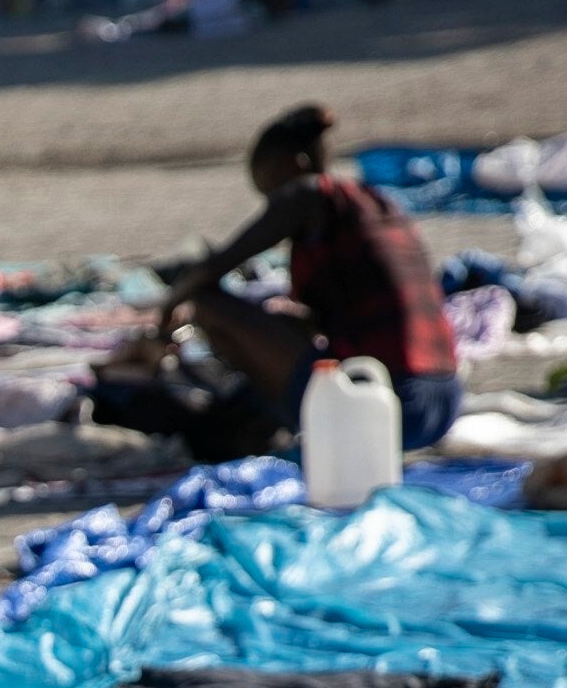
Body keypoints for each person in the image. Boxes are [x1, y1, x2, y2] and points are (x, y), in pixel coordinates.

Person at [121, 103, 462, 453]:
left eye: (271, 194)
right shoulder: (375, 203)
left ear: (296, 166)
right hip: (444, 401)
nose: (273, 205)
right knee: (280, 323)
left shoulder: (309, 193)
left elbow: (211, 268)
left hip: (390, 409)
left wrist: (168, 310)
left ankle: (254, 429)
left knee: (208, 304)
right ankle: (258, 421)